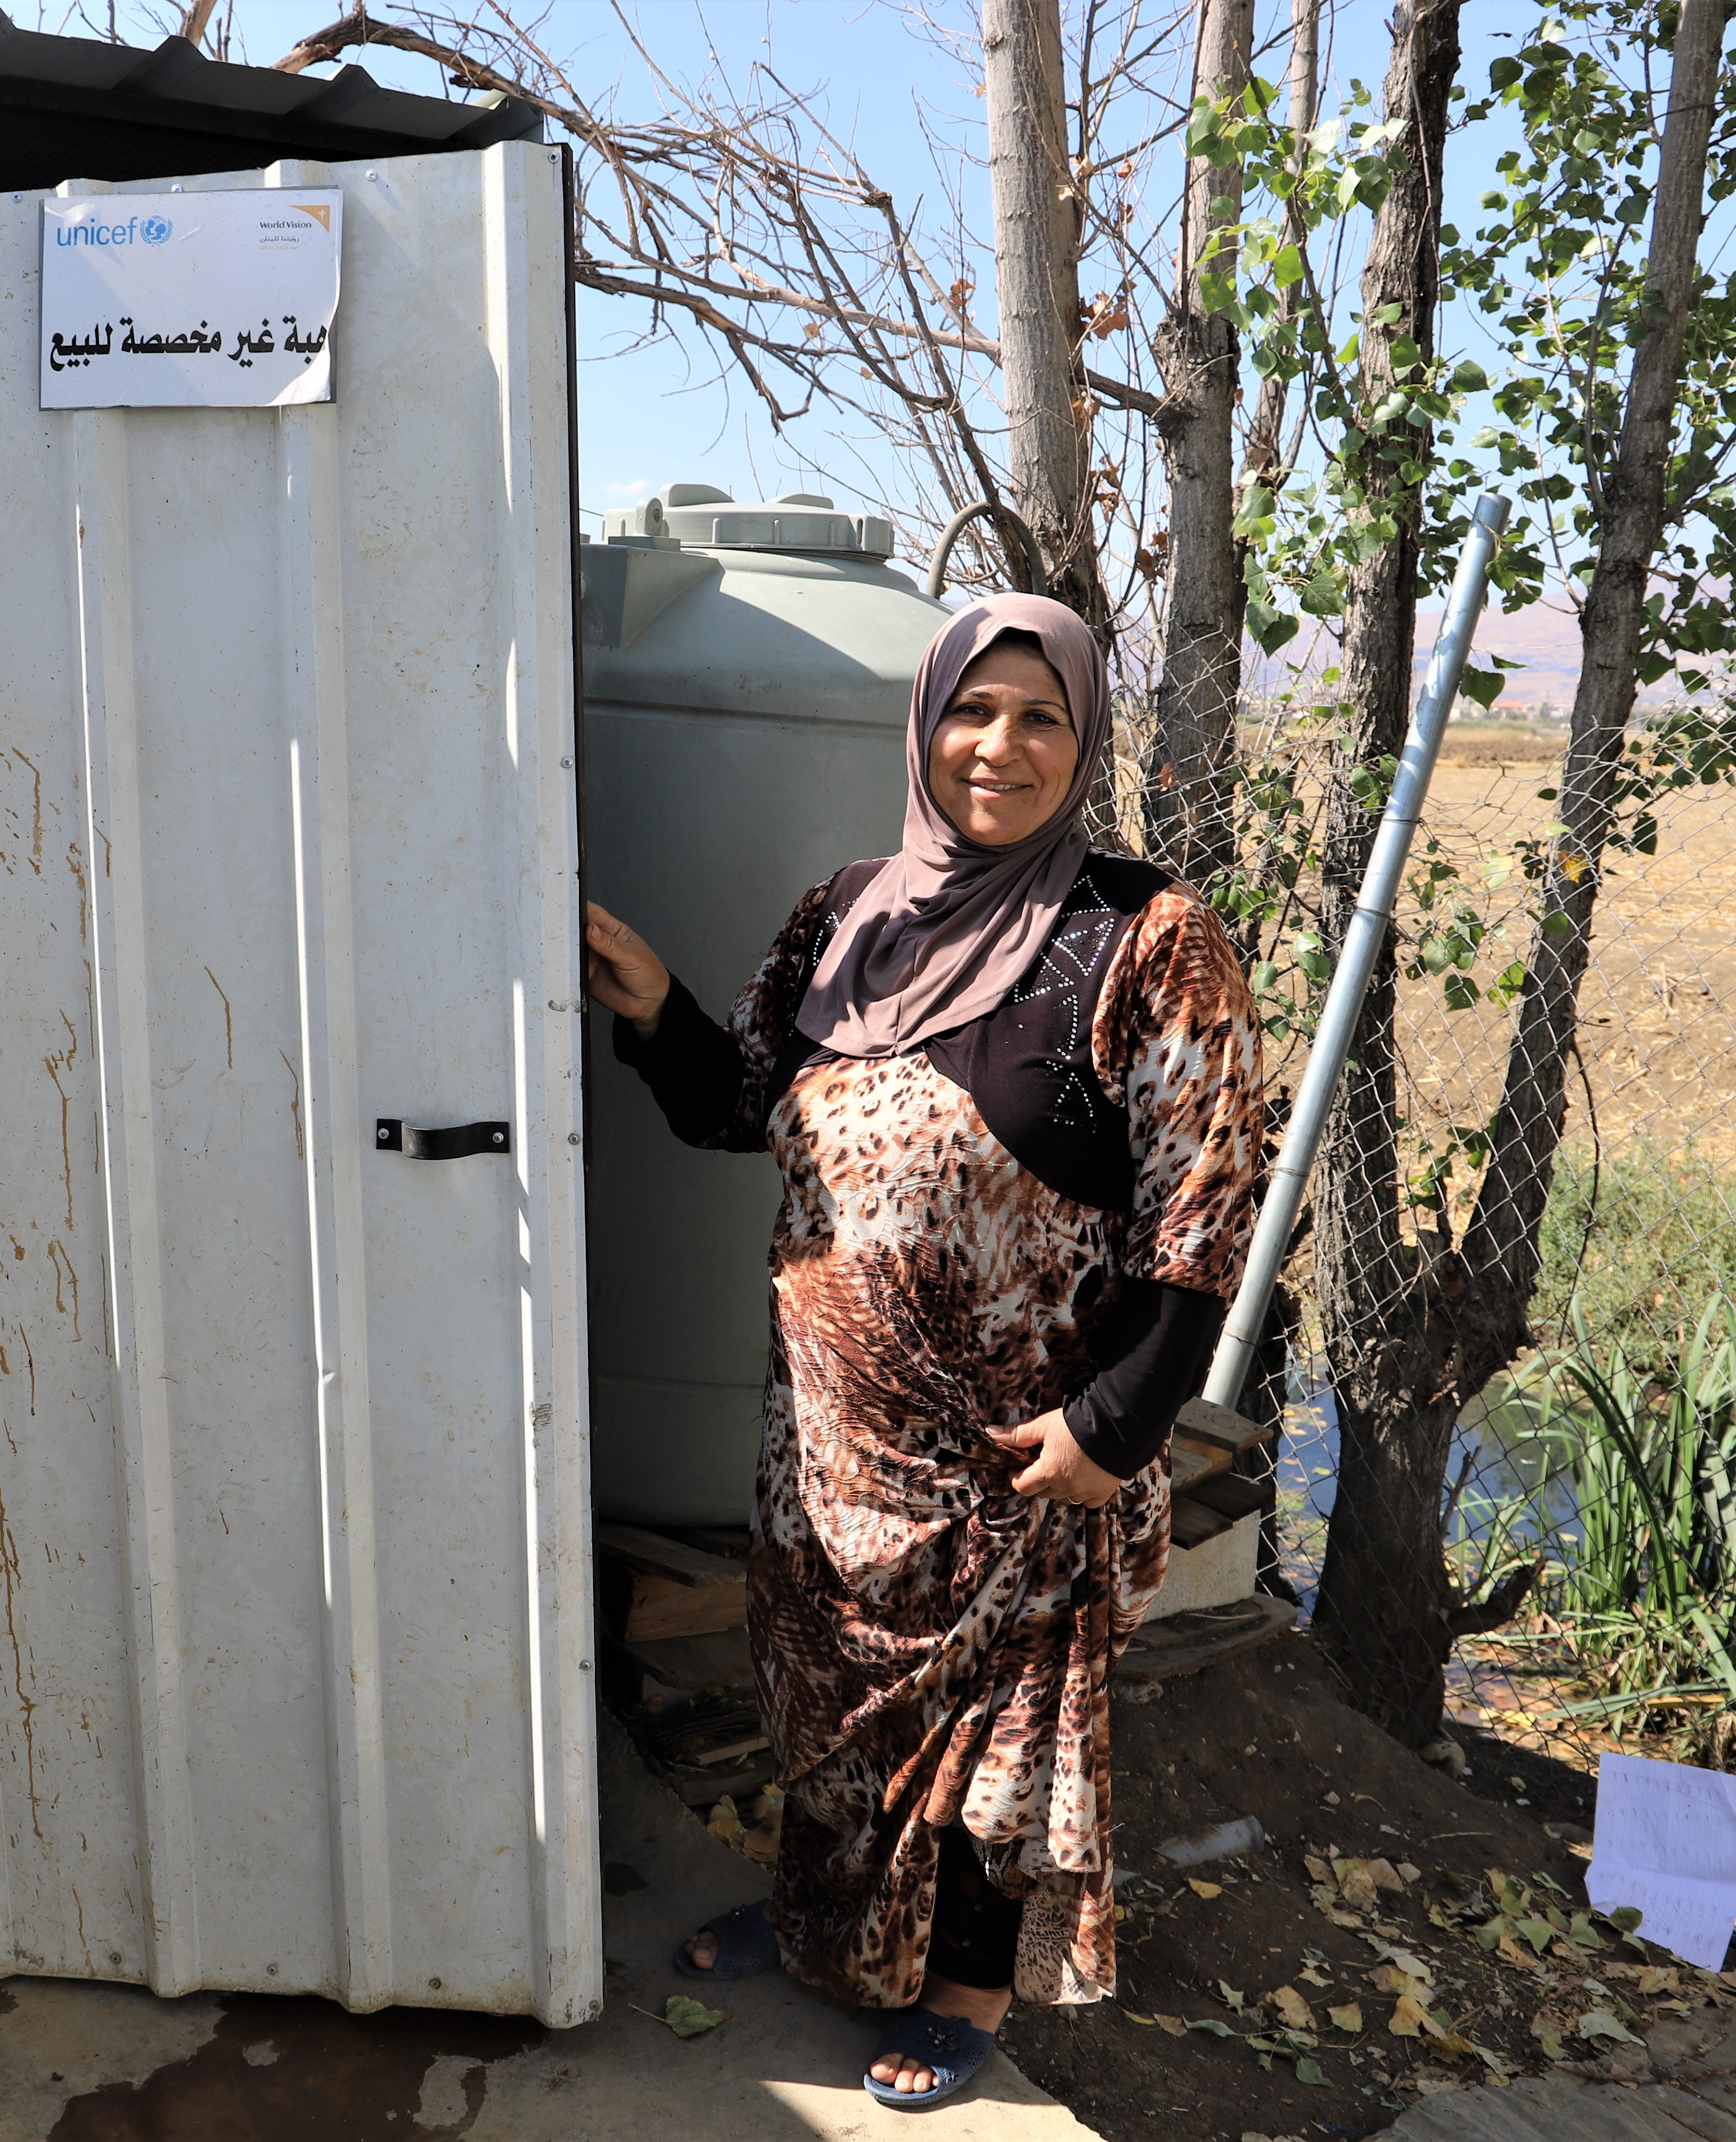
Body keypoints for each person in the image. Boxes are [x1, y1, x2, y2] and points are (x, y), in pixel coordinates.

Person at [583, 592, 1266, 2110]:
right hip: (824, 1438)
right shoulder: (850, 914)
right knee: (820, 1692)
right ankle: (829, 1923)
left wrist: (1119, 1425)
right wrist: (657, 1013)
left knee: (984, 1733)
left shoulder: (1146, 937)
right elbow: (742, 1102)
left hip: (1017, 1458)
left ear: (1086, 739)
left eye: (1042, 717)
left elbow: (1203, 1214)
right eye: (974, 709)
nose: (999, 745)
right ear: (926, 721)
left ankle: (962, 1984)